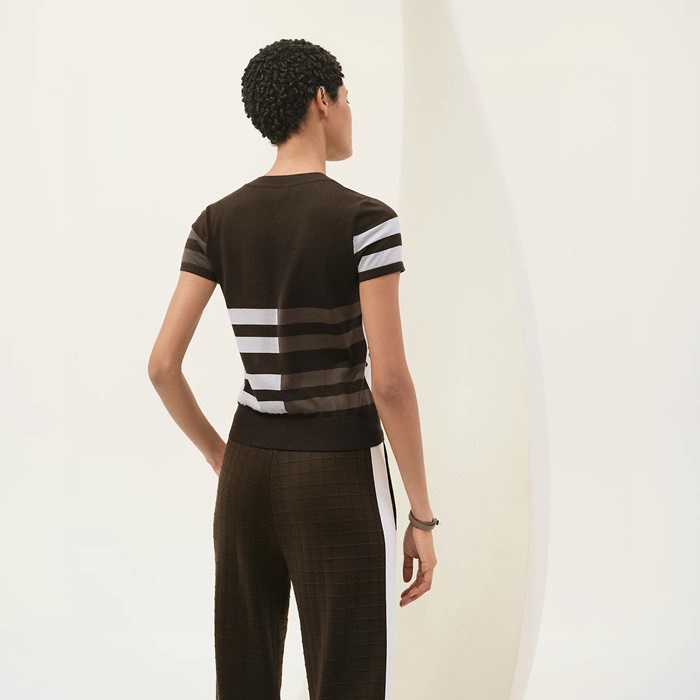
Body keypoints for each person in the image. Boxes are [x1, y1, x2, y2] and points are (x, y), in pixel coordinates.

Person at [148, 37, 438, 700]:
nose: (351, 112)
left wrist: (220, 455)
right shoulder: (367, 222)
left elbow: (163, 365)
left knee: (244, 678)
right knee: (348, 679)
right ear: (322, 100)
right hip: (338, 472)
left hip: (248, 470)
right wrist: (422, 517)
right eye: (348, 98)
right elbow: (390, 382)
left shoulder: (217, 221)